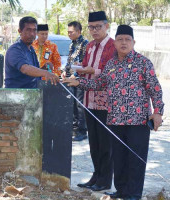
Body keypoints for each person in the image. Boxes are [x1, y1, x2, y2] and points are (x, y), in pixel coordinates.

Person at [63, 24, 164, 200]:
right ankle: (121, 190)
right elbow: (98, 84)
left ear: (134, 42)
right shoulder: (111, 64)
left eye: (127, 39)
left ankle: (133, 194)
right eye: (120, 39)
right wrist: (78, 82)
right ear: (115, 42)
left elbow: (155, 89)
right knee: (119, 158)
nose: (123, 43)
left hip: (137, 121)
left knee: (135, 159)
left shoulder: (143, 62)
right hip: (115, 119)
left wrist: (158, 113)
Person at [68, 11, 115, 191]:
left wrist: (87, 72)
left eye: (98, 27)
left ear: (106, 26)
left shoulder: (113, 46)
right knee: (94, 144)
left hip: (106, 102)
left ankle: (105, 181)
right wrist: (78, 71)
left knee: (106, 144)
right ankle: (96, 176)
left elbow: (109, 73)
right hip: (89, 100)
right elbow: (87, 66)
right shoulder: (90, 47)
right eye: (91, 27)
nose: (94, 31)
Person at [5, 17, 59, 88]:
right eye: (28, 30)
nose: (32, 34)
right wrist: (46, 73)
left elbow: (32, 74)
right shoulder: (15, 50)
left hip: (31, 94)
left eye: (34, 30)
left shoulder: (31, 49)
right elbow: (25, 69)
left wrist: (44, 68)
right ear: (20, 31)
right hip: (16, 95)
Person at [61, 21, 88, 141]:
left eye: (71, 32)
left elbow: (85, 63)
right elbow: (69, 61)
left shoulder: (85, 44)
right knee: (71, 104)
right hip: (69, 78)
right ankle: (74, 129)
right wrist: (64, 71)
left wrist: (76, 74)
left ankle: (82, 131)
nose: (69, 34)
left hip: (80, 79)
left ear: (79, 31)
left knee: (79, 105)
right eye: (68, 32)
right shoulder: (72, 44)